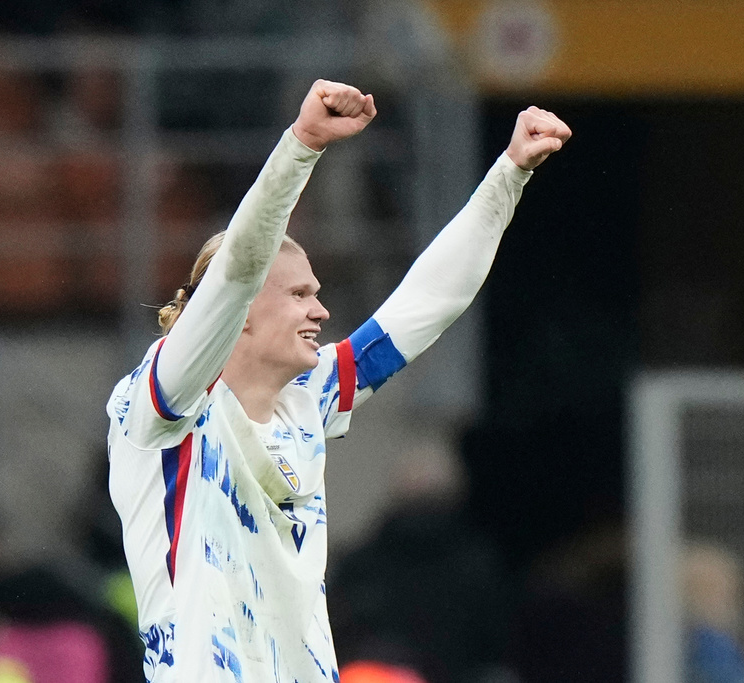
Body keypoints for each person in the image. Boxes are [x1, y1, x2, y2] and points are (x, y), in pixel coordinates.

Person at [105, 79, 571, 682]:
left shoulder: (310, 397)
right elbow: (238, 268)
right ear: (240, 311)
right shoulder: (163, 405)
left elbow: (426, 303)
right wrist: (300, 147)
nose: (320, 312)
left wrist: (508, 175)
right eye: (300, 295)